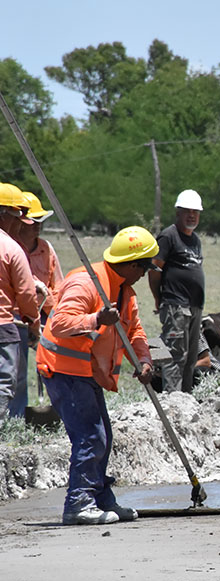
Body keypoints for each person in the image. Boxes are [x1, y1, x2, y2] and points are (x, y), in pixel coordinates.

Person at [36, 226, 158, 525]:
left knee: (104, 436)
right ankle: (78, 504)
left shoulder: (124, 291)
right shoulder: (86, 283)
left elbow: (134, 331)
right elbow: (60, 323)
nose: (145, 274)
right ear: (132, 265)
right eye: (144, 268)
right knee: (91, 437)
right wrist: (96, 318)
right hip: (63, 369)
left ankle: (101, 498)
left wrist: (142, 359)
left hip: (87, 372)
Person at [10, 191, 63, 418]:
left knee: (52, 365)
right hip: (17, 318)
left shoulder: (47, 249)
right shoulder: (10, 248)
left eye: (40, 222)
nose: (37, 227)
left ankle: (54, 409)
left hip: (43, 316)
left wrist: (55, 319)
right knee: (17, 371)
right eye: (33, 222)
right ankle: (16, 416)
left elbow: (56, 285)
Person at [150, 189, 204, 393]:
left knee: (191, 358)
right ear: (178, 212)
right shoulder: (168, 236)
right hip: (176, 305)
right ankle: (173, 401)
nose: (192, 215)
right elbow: (155, 270)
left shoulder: (195, 240)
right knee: (175, 355)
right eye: (187, 211)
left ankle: (186, 399)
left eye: (196, 212)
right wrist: (159, 298)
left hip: (194, 306)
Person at [0, 183, 40, 417]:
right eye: (18, 216)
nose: (20, 223)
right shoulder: (10, 248)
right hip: (4, 327)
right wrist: (34, 323)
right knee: (3, 386)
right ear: (5, 215)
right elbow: (26, 294)